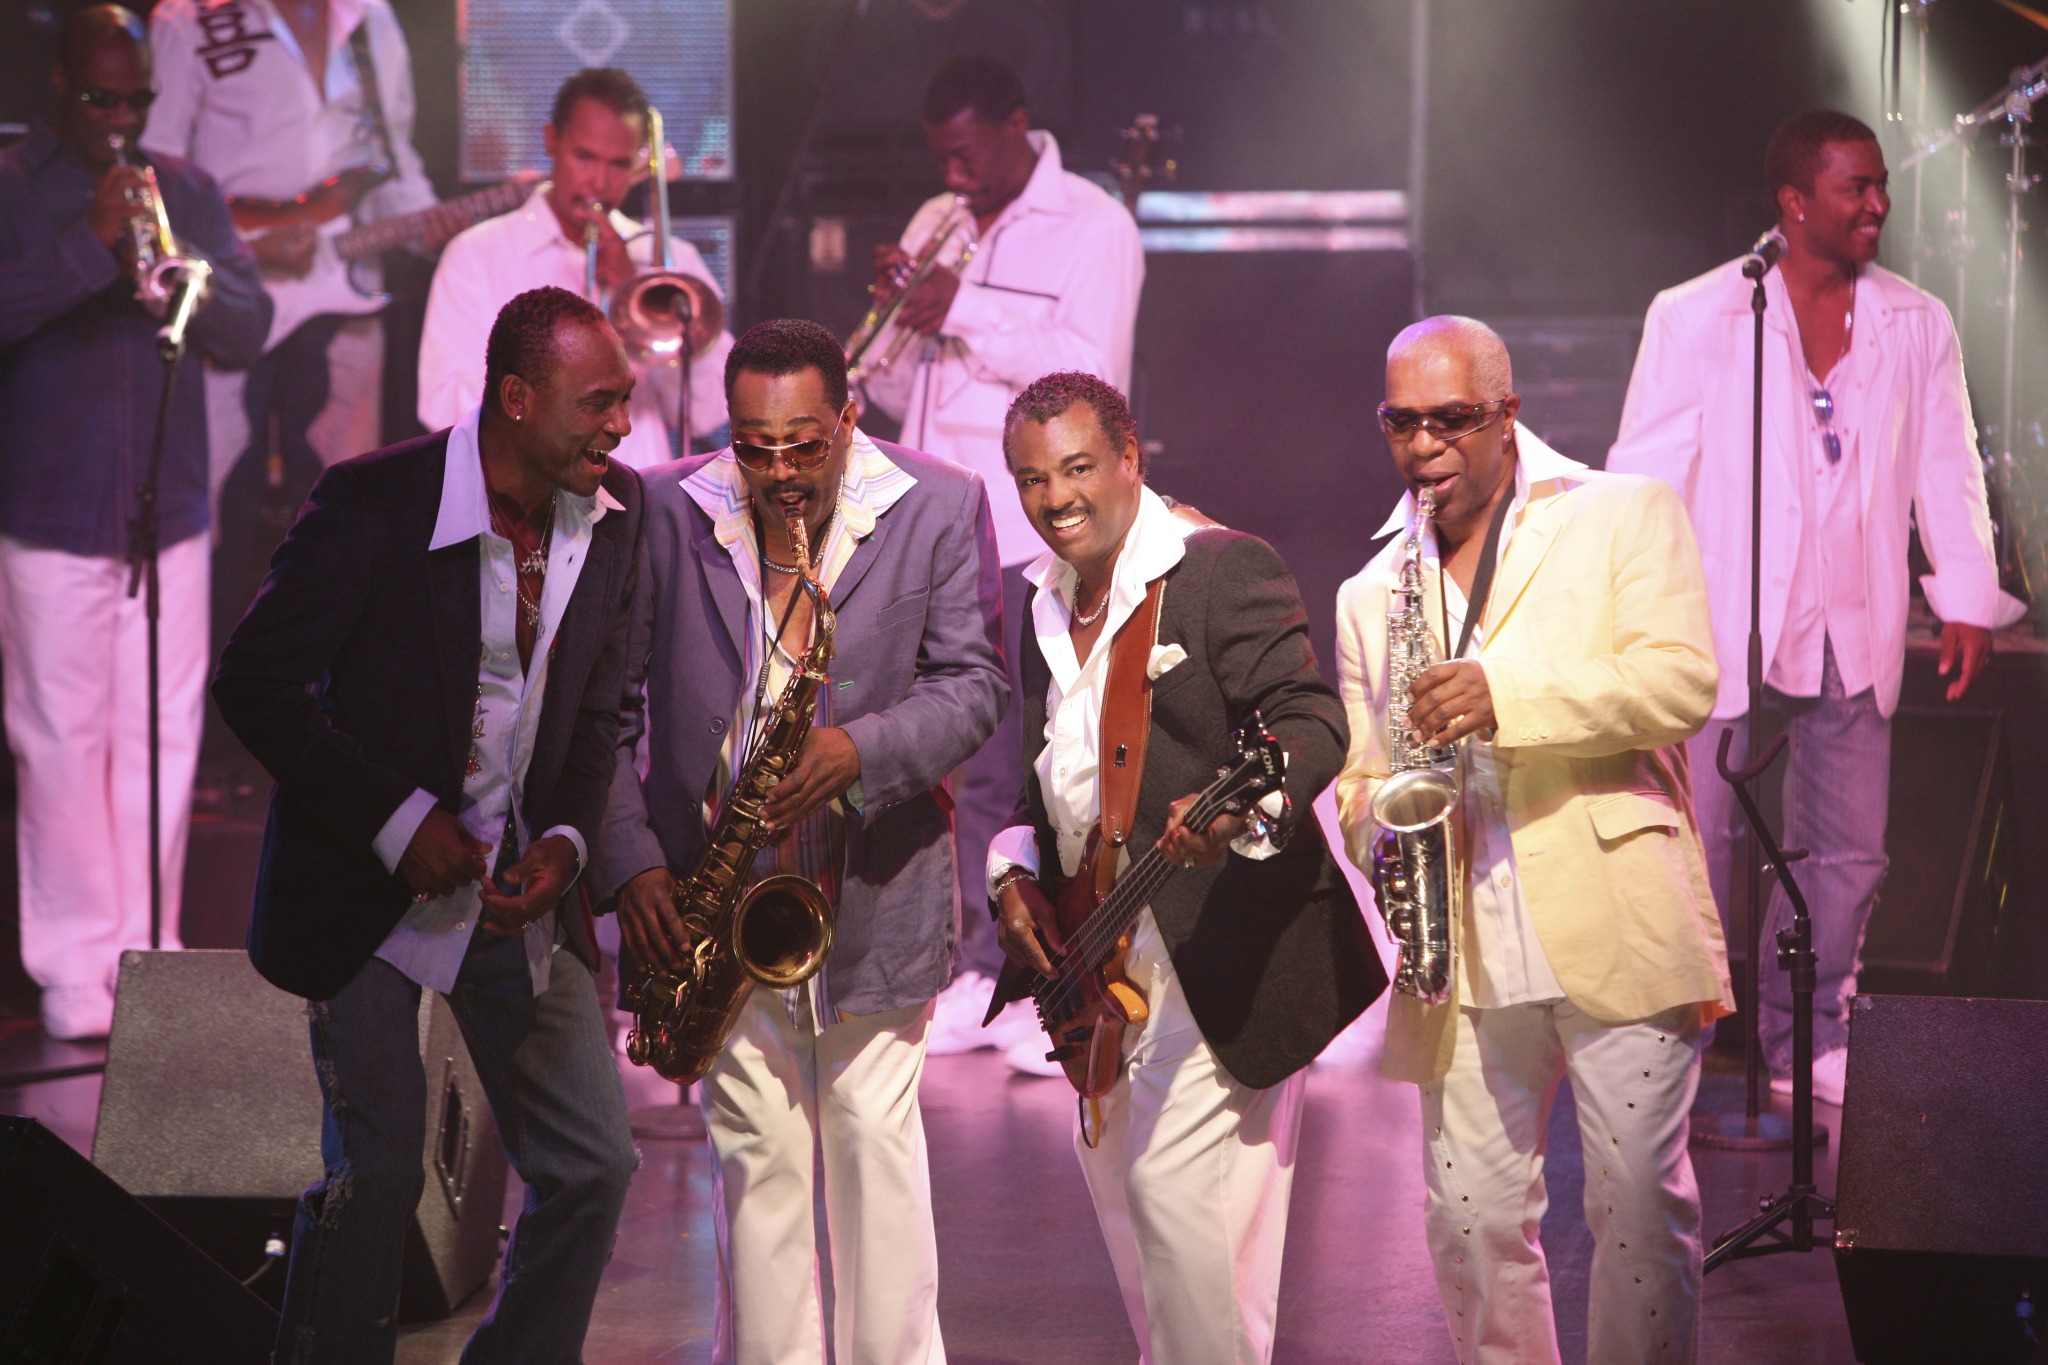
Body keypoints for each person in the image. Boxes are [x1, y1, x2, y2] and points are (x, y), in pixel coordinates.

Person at [211, 286, 644, 1363]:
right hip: (369, 889)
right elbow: (255, 682)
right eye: (598, 402)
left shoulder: (618, 514)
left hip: (511, 891)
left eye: (625, 398)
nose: (622, 425)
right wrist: (397, 821)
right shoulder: (375, 502)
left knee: (594, 1164)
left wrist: (566, 845)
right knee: (380, 1170)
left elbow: (600, 711)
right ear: (516, 398)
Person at [591, 318, 1006, 1365]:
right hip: (720, 897)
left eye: (803, 445)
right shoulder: (664, 506)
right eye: (755, 446)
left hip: (875, 887)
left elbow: (975, 684)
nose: (779, 471)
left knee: (874, 1150)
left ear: (848, 419)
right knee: (755, 1162)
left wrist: (859, 750)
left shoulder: (939, 501)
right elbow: (610, 709)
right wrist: (633, 860)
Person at [1335, 317, 1733, 1365]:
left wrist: (1502, 693)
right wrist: (1381, 827)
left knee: (1637, 1210)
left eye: (1451, 419)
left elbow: (1680, 681)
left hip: (1616, 912)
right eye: (1402, 422)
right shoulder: (1370, 592)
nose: (1424, 444)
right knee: (1467, 1225)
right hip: (1459, 945)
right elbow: (1360, 776)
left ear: (1507, 414)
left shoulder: (1622, 512)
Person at [1606, 109, 2020, 1106]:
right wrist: (1634, 616)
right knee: (1694, 841)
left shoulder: (1916, 321)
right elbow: (1643, 479)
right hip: (1722, 620)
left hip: (1850, 620)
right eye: (1855, 188)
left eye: (1880, 185)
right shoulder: (1699, 315)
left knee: (1848, 852)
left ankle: (1812, 1035)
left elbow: (1947, 464)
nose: (1878, 204)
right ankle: (1677, 1039)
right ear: (1794, 202)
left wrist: (1963, 596)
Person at [987, 371, 1384, 1364]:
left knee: (1170, 1197)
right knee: (1141, 1225)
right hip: (1101, 953)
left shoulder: (1215, 568)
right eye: (1032, 479)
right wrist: (1009, 873)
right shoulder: (1036, 602)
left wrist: (1246, 805)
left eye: (1078, 467)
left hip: (1224, 940)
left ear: (1131, 459)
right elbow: (1038, 786)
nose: (1055, 497)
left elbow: (1308, 718)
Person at [856, 57, 1145, 1056]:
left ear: (1018, 126)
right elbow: (901, 393)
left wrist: (963, 306)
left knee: (1017, 767)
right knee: (933, 760)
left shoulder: (1094, 225)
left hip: (1032, 532)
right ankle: (963, 968)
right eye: (940, 156)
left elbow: (1096, 378)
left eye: (967, 152)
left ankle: (1035, 980)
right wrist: (898, 323)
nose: (954, 173)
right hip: (928, 527)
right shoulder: (941, 218)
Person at [0, 5, 268, 1040]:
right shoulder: (15, 187)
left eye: (136, 101)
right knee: (60, 742)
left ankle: (146, 953)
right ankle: (75, 970)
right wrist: (92, 246)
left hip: (171, 506)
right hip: (51, 507)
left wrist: (178, 272)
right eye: (100, 98)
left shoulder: (186, 189)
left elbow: (248, 327)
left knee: (163, 735)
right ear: (58, 88)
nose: (119, 119)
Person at [144, 0, 451, 513]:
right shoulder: (188, 16)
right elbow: (156, 173)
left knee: (348, 498)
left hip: (347, 288)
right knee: (219, 493)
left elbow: (394, 163)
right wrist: (242, 252)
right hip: (231, 292)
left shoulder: (370, 17)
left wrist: (432, 230)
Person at [421, 66, 734, 472]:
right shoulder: (476, 255)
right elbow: (441, 407)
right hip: (525, 494)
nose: (598, 182)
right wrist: (551, 378)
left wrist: (633, 289)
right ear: (551, 140)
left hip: (637, 491)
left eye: (618, 164)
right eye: (584, 157)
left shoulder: (670, 265)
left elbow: (711, 411)